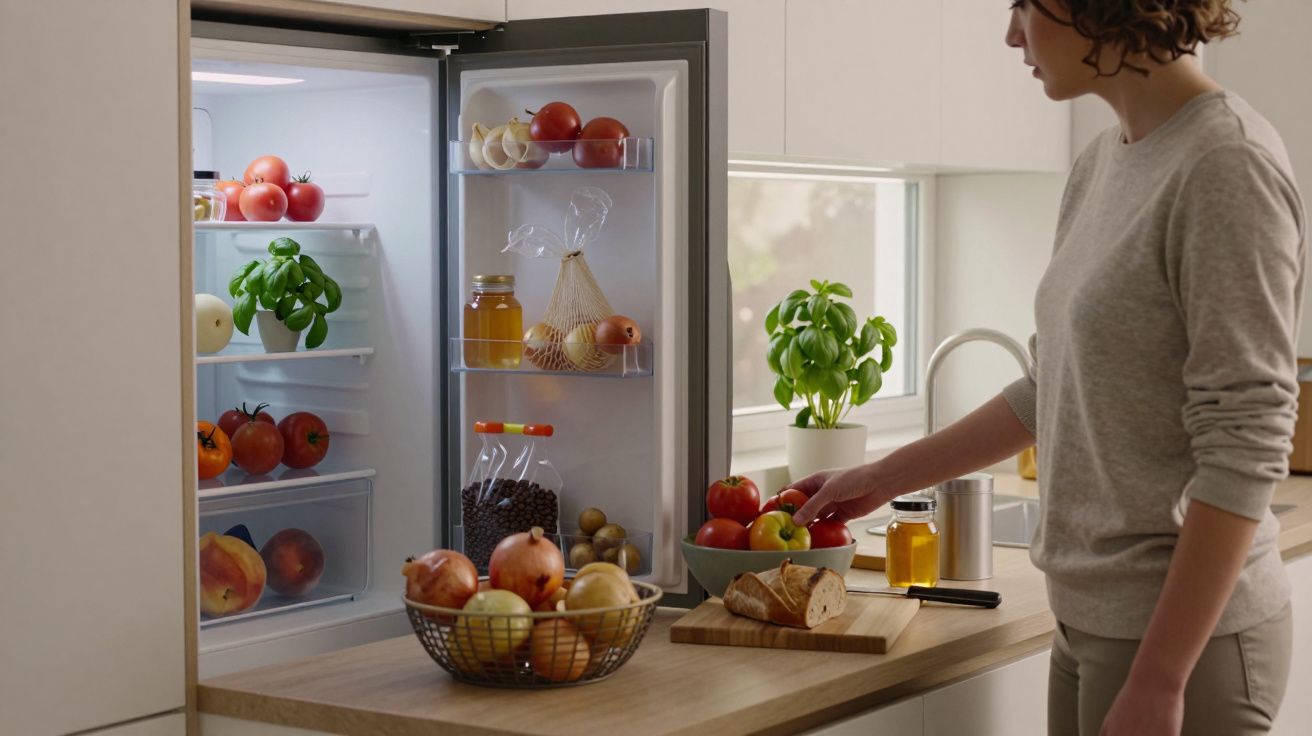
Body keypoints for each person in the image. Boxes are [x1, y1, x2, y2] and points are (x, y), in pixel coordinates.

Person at [789, 2, 1305, 734]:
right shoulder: (1102, 161)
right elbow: (1047, 387)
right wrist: (879, 477)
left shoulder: (1226, 164)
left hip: (1187, 646)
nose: (1010, 34)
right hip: (1087, 619)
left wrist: (1161, 678)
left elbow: (1247, 446)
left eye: (1023, 6)